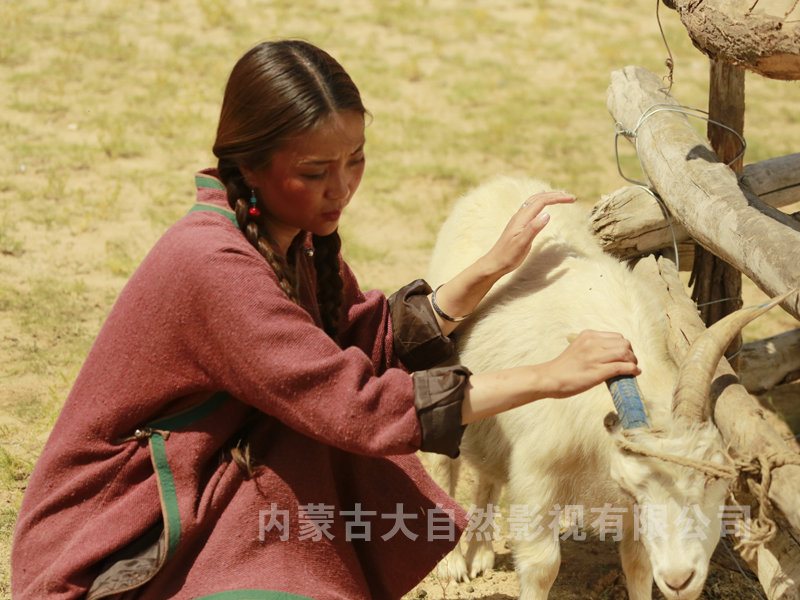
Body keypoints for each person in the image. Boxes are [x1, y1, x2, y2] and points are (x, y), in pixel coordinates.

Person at [10, 40, 640, 600]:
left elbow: (363, 338)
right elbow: (356, 406)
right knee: (324, 431)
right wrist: (549, 377)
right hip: (115, 535)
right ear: (248, 165)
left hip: (202, 479)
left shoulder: (290, 242)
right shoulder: (213, 265)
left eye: (355, 160)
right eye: (315, 172)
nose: (341, 188)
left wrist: (489, 268)